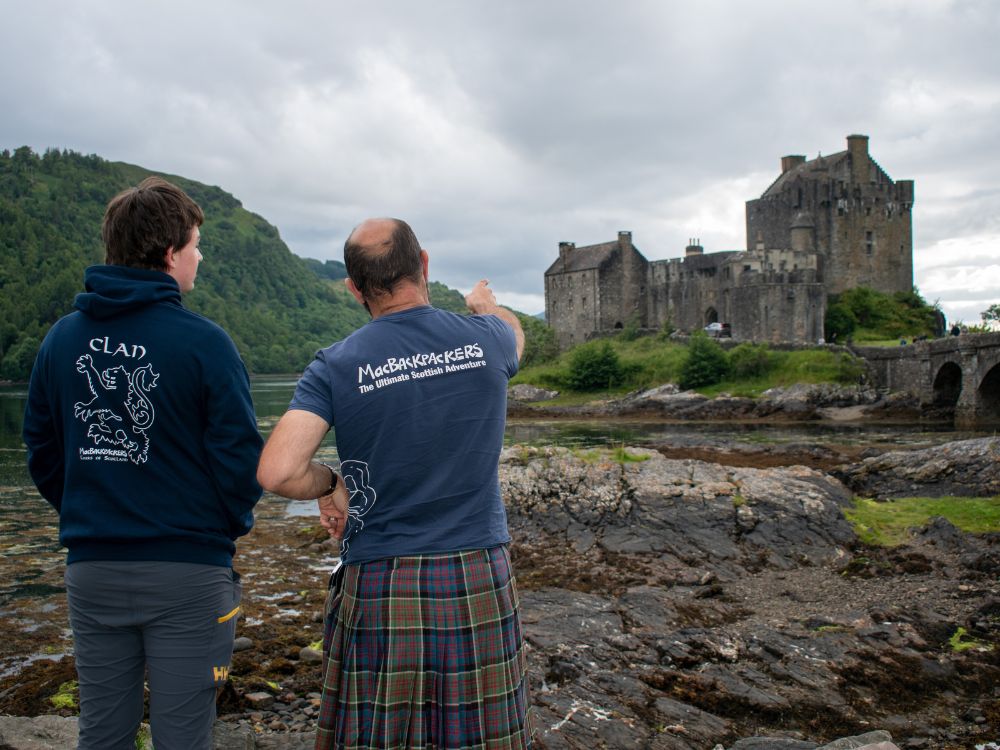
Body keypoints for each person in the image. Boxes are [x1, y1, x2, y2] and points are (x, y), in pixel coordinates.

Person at [257, 217, 531, 749]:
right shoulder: (489, 337)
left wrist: (332, 482)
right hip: (477, 573)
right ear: (423, 264)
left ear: (354, 288)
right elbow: (516, 337)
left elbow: (278, 471)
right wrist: (486, 306)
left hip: (381, 583)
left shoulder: (334, 364)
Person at [22, 176, 263, 750]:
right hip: (188, 573)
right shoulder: (205, 342)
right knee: (183, 737)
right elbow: (239, 458)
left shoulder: (62, 339)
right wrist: (218, 530)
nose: (199, 258)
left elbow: (43, 449)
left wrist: (89, 507)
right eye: (196, 245)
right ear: (170, 253)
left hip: (93, 569)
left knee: (102, 733)